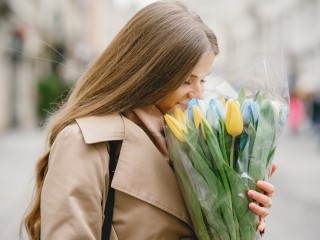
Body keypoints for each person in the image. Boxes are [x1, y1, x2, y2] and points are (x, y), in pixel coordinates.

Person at [23, 1, 277, 239]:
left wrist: (239, 215)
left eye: (203, 79)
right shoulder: (86, 144)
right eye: (187, 80)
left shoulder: (198, 144)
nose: (198, 94)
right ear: (149, 73)